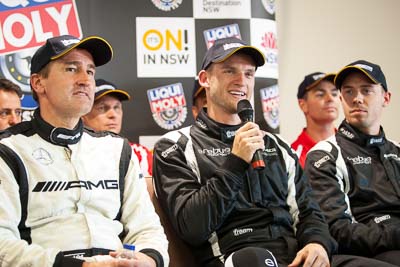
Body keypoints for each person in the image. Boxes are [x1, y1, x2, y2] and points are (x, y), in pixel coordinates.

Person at [152, 37, 337, 267]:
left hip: (292, 256)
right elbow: (192, 227)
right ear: (205, 79)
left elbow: (309, 211)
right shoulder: (175, 145)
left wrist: (317, 242)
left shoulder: (276, 145)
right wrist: (235, 162)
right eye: (230, 71)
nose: (241, 81)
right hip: (235, 256)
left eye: (249, 74)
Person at [0, 35, 168, 267]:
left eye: (90, 71)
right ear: (38, 83)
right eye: (71, 69)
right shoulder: (8, 150)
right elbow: (2, 245)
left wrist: (148, 259)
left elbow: (147, 227)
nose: (85, 80)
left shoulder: (117, 148)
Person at [304, 60, 400, 266]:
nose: (357, 99)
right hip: (369, 254)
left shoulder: (397, 151)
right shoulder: (324, 155)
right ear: (341, 98)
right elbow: (337, 230)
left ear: (386, 98)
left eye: (366, 91)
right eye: (349, 91)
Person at [82, 78, 153, 177]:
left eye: (116, 107)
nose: (113, 115)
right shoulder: (73, 153)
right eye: (102, 108)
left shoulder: (140, 154)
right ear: (83, 114)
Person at [291, 72, 340, 168]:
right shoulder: (293, 155)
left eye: (334, 94)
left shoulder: (352, 146)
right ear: (303, 105)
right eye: (320, 94)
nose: (330, 98)